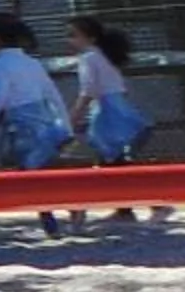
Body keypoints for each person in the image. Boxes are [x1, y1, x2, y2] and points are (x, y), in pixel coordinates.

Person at [0, 12, 73, 235]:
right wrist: (66, 125)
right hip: (44, 123)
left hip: (20, 126)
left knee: (30, 175)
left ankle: (50, 220)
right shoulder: (32, 63)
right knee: (39, 173)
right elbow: (52, 93)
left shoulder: (0, 64)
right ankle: (60, 212)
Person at [65, 15, 159, 228]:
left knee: (111, 163)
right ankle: (125, 209)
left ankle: (153, 204)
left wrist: (72, 118)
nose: (69, 40)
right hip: (118, 110)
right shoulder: (105, 56)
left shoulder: (88, 58)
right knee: (115, 163)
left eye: (73, 35)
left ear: (89, 37)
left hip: (107, 113)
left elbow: (88, 92)